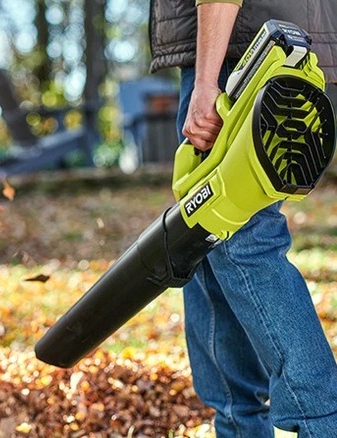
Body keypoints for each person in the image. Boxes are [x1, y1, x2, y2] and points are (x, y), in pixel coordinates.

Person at [149, 1, 337, 436]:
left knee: (234, 233)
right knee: (200, 245)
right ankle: (239, 426)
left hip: (239, 54)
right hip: (297, 48)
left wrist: (205, 82)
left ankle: (322, 422)